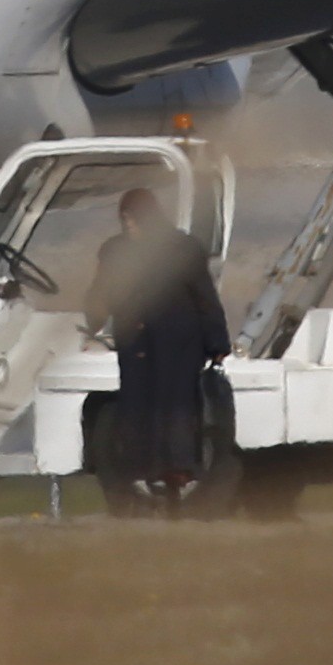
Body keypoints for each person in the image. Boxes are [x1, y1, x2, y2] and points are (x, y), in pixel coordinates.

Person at [82, 185, 231, 504]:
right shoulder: (114, 251)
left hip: (178, 343)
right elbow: (101, 292)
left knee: (176, 408)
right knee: (137, 407)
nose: (128, 226)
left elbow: (204, 297)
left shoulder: (183, 248)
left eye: (134, 219)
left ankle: (179, 471)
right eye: (124, 220)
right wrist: (91, 321)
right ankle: (141, 471)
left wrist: (217, 341)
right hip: (135, 344)